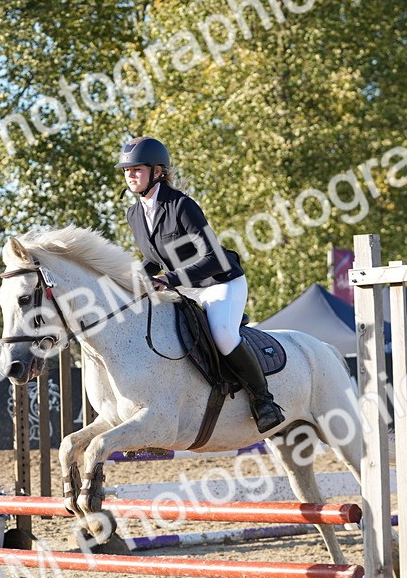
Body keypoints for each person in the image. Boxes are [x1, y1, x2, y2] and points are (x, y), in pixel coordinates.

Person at [117, 136, 285, 432]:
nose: (130, 175)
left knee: (222, 335)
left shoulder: (181, 206)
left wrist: (168, 279)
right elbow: (153, 259)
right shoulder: (134, 213)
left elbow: (214, 258)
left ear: (157, 172)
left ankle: (264, 401)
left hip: (220, 282)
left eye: (137, 169)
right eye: (127, 170)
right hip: (184, 287)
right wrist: (128, 281)